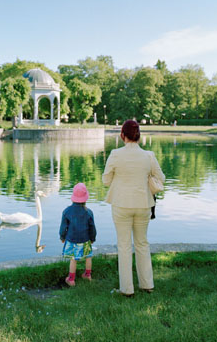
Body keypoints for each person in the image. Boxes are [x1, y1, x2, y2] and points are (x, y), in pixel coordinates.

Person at [102, 120, 165, 297]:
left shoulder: (115, 154)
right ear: (139, 136)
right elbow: (161, 178)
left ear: (122, 135)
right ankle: (147, 285)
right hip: (143, 204)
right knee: (142, 243)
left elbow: (106, 181)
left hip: (121, 204)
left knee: (123, 245)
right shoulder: (149, 156)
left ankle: (127, 289)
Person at [59, 183, 97, 287]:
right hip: (85, 240)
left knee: (73, 258)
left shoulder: (66, 211)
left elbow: (63, 227)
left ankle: (71, 279)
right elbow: (92, 227)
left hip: (72, 240)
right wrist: (92, 238)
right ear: (85, 198)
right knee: (88, 256)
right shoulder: (89, 212)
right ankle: (87, 275)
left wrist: (62, 237)